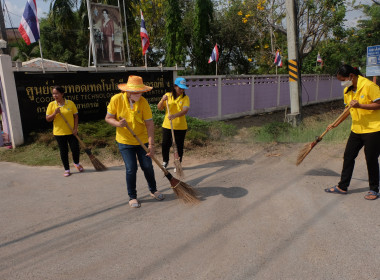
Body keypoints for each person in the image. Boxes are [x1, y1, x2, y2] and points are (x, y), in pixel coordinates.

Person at [105, 75, 164, 208]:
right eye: (136, 92)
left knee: (147, 166)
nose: (138, 94)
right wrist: (118, 124)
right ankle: (132, 196)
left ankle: (153, 190)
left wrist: (151, 145)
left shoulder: (143, 102)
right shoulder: (116, 100)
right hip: (125, 141)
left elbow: (149, 124)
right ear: (128, 91)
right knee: (131, 168)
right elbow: (108, 118)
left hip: (142, 140)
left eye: (140, 92)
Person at [325, 64, 380, 200]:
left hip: (373, 129)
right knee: (348, 156)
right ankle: (342, 186)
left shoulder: (369, 86)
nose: (342, 83)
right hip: (357, 129)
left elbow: (379, 104)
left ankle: (374, 189)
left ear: (351, 76)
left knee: (371, 159)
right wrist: (335, 124)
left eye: (343, 80)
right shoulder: (348, 90)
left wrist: (360, 105)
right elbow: (347, 110)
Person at [46, 86, 84, 177]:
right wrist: (54, 113)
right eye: (53, 94)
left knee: (75, 149)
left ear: (62, 94)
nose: (55, 95)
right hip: (59, 133)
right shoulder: (52, 105)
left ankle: (76, 163)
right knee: (64, 151)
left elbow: (76, 116)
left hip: (72, 132)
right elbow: (48, 119)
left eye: (57, 93)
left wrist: (75, 129)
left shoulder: (70, 103)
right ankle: (67, 169)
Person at [157, 77, 190, 171]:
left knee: (179, 146)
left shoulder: (185, 98)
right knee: (165, 144)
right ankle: (165, 161)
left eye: (183, 88)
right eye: (180, 88)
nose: (182, 90)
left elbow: (185, 111)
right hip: (167, 125)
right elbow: (159, 108)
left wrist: (174, 115)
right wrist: (162, 100)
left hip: (180, 126)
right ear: (175, 86)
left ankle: (178, 163)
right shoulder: (167, 95)